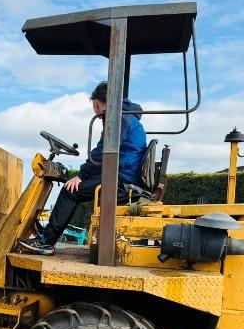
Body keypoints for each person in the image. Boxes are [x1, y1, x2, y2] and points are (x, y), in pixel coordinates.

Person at [18, 81, 147, 255]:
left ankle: (46, 242)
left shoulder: (118, 118)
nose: (98, 115)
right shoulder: (126, 115)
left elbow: (103, 152)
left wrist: (81, 175)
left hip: (122, 181)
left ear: (96, 103)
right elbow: (107, 155)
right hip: (124, 176)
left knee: (70, 191)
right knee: (74, 187)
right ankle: (47, 234)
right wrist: (84, 175)